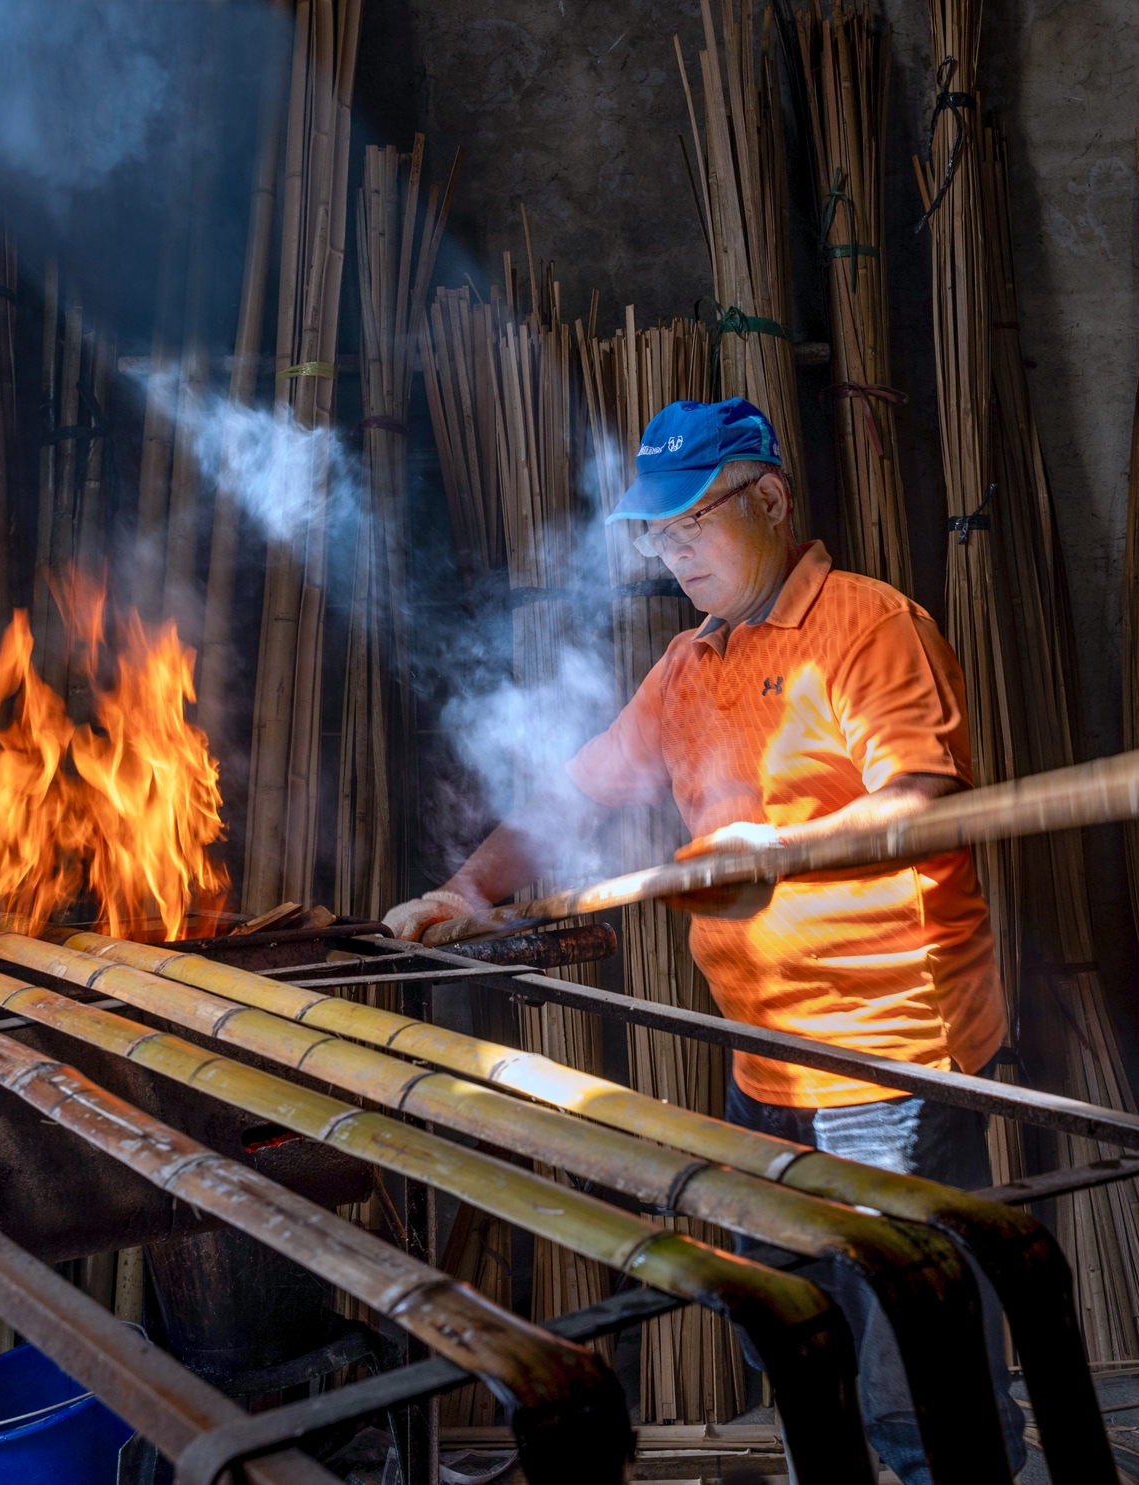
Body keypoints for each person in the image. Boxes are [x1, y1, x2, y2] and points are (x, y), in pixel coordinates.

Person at [383, 397, 1027, 1482]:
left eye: (694, 520)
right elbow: (572, 797)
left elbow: (920, 801)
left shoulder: (871, 626)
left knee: (916, 1374)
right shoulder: (688, 667)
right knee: (791, 1331)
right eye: (657, 530)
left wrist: (776, 850)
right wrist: (467, 887)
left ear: (769, 497)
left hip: (890, 1060)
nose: (673, 550)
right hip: (765, 1062)